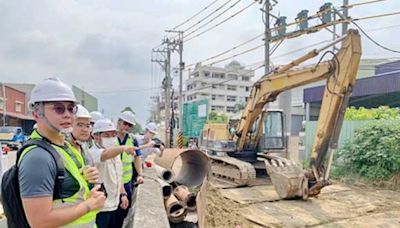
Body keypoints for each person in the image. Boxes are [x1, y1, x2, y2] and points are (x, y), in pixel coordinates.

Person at [19, 77, 105, 227]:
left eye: (71, 109)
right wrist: (89, 205)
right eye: (59, 108)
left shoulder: (65, 147)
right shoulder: (38, 157)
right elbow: (40, 221)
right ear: (36, 113)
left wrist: (84, 177)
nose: (67, 114)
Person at [90, 118, 140, 228]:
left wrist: (123, 194)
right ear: (96, 136)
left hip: (115, 204)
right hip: (101, 208)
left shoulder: (115, 154)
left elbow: (118, 177)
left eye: (113, 135)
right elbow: (104, 155)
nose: (111, 138)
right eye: (107, 135)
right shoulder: (93, 153)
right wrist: (123, 148)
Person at [114, 111, 143, 227]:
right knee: (111, 213)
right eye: (125, 123)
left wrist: (140, 174)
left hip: (126, 182)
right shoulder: (110, 138)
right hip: (112, 182)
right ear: (119, 122)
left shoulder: (132, 140)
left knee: (124, 211)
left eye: (130, 125)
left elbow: (137, 158)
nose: (127, 127)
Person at [67, 104, 98, 182]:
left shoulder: (84, 148)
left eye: (87, 126)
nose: (85, 130)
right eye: (80, 125)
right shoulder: (63, 149)